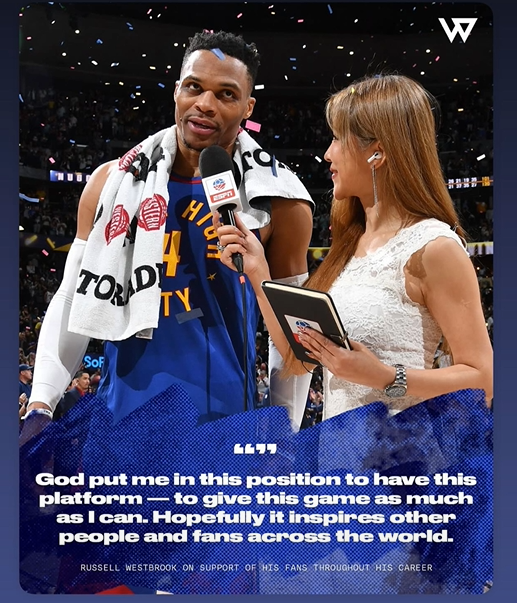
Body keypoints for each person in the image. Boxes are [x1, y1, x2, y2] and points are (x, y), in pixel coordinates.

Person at [24, 31, 314, 430]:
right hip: (118, 426)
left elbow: (293, 336)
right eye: (194, 87)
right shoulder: (109, 183)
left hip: (223, 428)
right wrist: (41, 403)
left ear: (248, 107)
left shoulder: (280, 199)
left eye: (226, 94)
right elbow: (73, 299)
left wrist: (286, 429)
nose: (205, 104)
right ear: (177, 90)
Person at [215, 73, 493, 419]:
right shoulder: (349, 247)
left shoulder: (434, 247)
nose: (327, 154)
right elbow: (299, 359)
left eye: (337, 139)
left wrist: (385, 376)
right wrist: (259, 274)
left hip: (400, 449)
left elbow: (484, 379)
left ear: (377, 152)